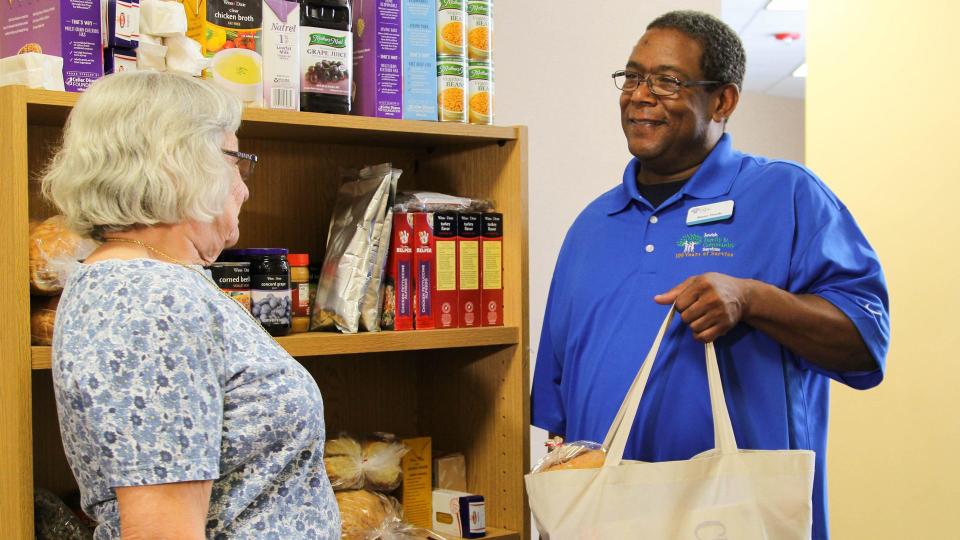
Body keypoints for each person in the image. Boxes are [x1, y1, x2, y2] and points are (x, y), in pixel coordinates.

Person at [530, 10, 889, 539]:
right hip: (609, 519)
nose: (640, 95)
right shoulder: (591, 227)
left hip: (738, 517)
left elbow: (866, 345)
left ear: (722, 101)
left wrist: (752, 299)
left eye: (668, 81)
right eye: (632, 77)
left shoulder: (788, 196)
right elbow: (561, 415)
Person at [42, 72, 341, 539]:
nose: (243, 189)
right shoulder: (149, 300)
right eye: (234, 160)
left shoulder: (155, 281)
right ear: (177, 163)